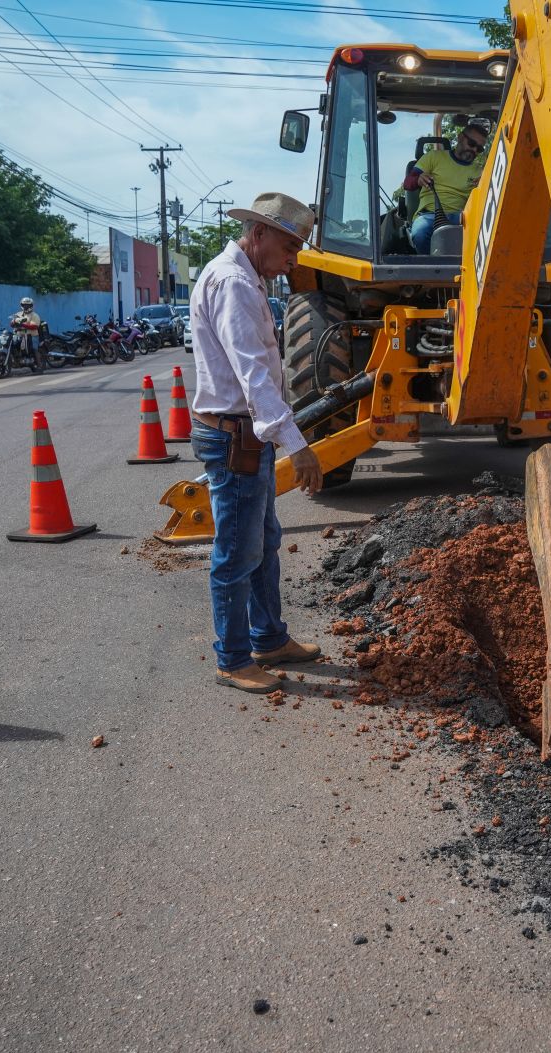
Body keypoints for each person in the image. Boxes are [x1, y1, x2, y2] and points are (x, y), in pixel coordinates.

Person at [190, 192, 323, 695]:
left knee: (263, 543)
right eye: (289, 247)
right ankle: (233, 657)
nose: (292, 260)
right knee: (238, 551)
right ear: (259, 234)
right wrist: (297, 444)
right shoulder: (234, 283)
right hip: (235, 436)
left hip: (245, 434)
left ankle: (269, 638)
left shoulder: (247, 278)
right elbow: (253, 376)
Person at [405, 119, 490, 254]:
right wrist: (419, 179)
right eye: (472, 144)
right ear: (460, 137)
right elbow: (408, 183)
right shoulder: (433, 157)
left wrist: (485, 185)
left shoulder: (480, 172)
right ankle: (431, 268)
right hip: (430, 216)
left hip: (462, 218)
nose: (474, 150)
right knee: (420, 233)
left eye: (479, 149)